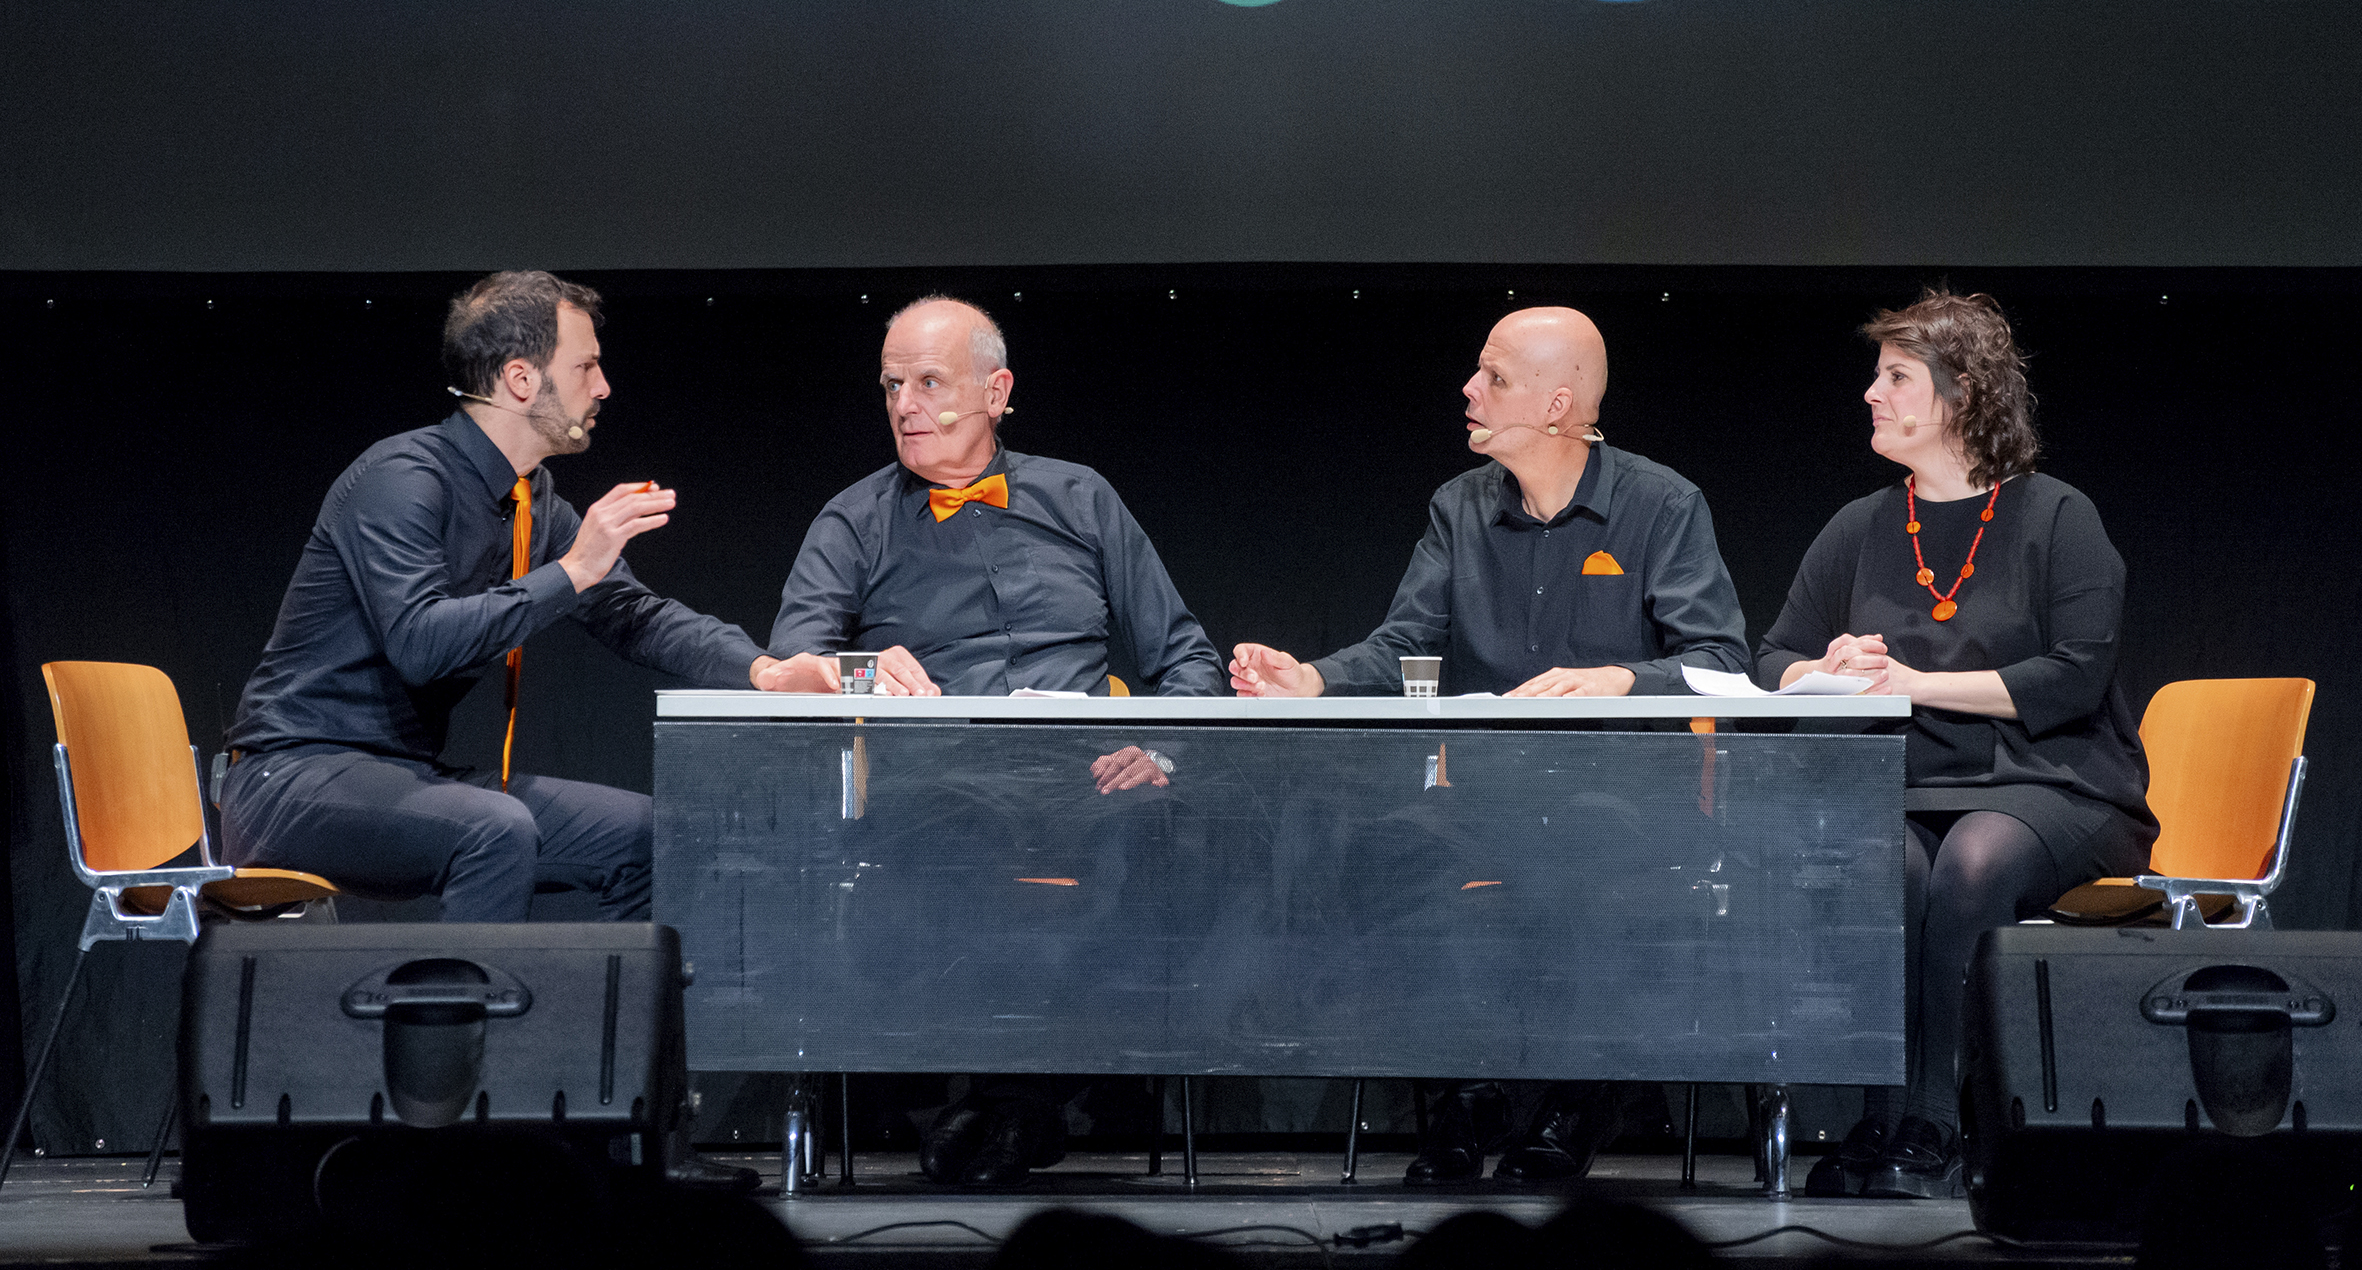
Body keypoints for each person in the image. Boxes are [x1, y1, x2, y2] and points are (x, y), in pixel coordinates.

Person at [1228, 306, 1751, 1185]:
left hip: (1624, 795)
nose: (1469, 390)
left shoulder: (1662, 504)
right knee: (1387, 850)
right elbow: (1406, 644)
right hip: (1487, 793)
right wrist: (1310, 677)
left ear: (1557, 406)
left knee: (1572, 849)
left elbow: (1721, 659)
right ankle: (1472, 1086)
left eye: (1494, 378)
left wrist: (1617, 679)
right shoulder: (1459, 506)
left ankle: (1574, 1095)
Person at [763, 294, 1225, 1181]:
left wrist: (1160, 750)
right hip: (941, 781)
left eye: (929, 383)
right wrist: (862, 668)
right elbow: (791, 662)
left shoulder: (1080, 497)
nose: (905, 405)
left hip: (1085, 778)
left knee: (1168, 831)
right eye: (892, 386)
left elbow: (1187, 658)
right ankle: (1009, 1100)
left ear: (996, 392)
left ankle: (1015, 1098)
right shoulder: (855, 519)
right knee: (960, 838)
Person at [223, 272, 799, 922]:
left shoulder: (533, 500)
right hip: (289, 779)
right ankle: (461, 992)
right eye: (585, 366)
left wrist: (766, 670)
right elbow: (421, 644)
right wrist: (572, 570)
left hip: (406, 776)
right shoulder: (402, 478)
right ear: (521, 379)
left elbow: (632, 615)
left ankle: (578, 997)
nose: (603, 387)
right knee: (494, 828)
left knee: (647, 837)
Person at [1756, 289, 2155, 1199]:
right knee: (1884, 864)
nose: (1872, 394)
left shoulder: (2058, 517)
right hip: (1909, 785)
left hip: (2053, 784)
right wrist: (1827, 663)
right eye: (1877, 376)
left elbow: (2075, 675)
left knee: (1973, 861)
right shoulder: (1861, 526)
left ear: (1963, 393)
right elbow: (1771, 657)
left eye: (1897, 377)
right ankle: (1880, 1115)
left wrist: (1915, 684)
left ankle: (1940, 1122)